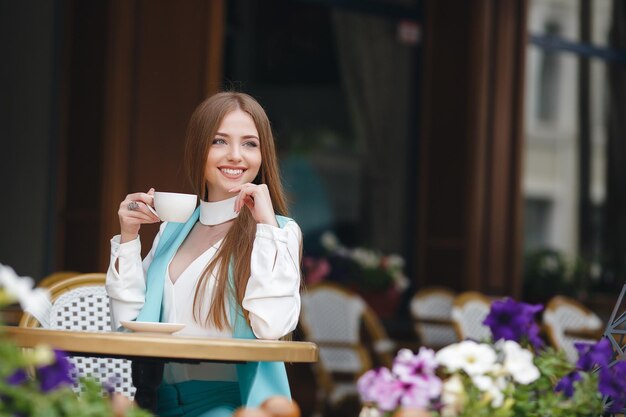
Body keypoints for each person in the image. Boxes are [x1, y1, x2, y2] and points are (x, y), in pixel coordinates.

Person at [105, 92, 302, 417]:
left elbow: (271, 328)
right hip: (156, 402)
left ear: (264, 153)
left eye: (250, 144)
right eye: (220, 141)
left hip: (233, 406)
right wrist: (128, 238)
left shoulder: (278, 232)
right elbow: (127, 329)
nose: (236, 155)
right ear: (198, 148)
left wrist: (266, 226)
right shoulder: (172, 231)